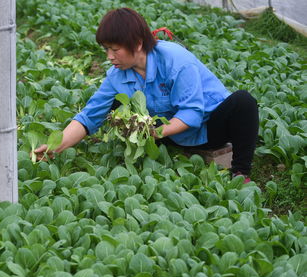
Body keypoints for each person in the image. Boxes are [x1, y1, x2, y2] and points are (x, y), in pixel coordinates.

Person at [34, 8, 259, 181]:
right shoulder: (117, 74)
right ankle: (162, 145)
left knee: (244, 102)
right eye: (106, 49)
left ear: (138, 43)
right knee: (113, 102)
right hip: (166, 133)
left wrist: (157, 131)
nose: (110, 56)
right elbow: (90, 115)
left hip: (209, 128)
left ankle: (240, 173)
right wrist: (57, 145)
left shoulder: (175, 61)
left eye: (115, 49)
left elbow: (192, 112)